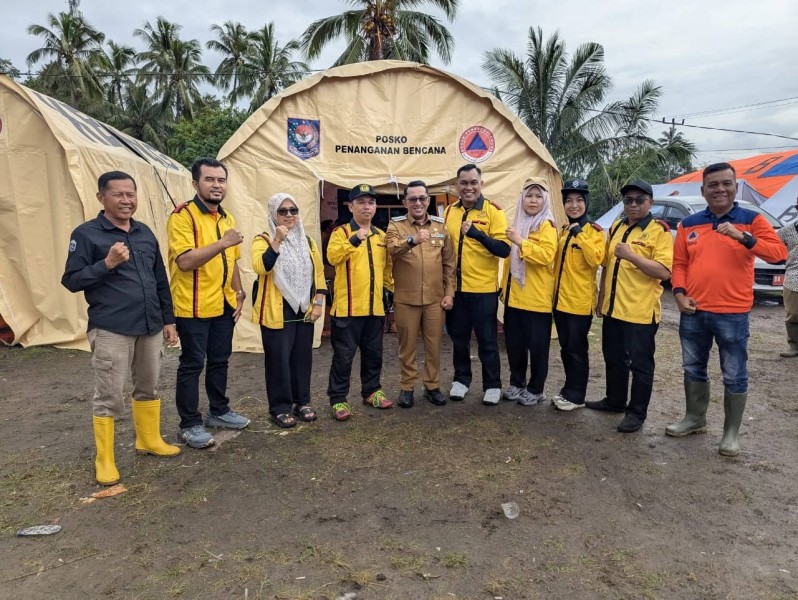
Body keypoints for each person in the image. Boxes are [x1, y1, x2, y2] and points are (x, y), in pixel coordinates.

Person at [62, 171, 180, 485]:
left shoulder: (144, 233)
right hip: (112, 328)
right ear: (101, 198)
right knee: (109, 395)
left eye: (131, 194)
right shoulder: (86, 235)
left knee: (149, 386)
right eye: (118, 194)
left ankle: (148, 440)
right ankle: (105, 460)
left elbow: (160, 279)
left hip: (149, 325)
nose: (126, 200)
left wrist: (168, 320)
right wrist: (107, 264)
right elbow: (71, 280)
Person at [667, 163, 787, 456]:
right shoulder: (689, 223)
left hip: (732, 313)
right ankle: (695, 419)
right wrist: (679, 293)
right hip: (694, 310)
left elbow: (779, 254)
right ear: (703, 190)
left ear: (735, 187)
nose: (720, 189)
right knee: (692, 367)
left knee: (734, 373)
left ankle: (731, 433)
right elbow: (680, 264)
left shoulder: (752, 220)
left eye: (726, 183)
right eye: (713, 184)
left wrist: (744, 237)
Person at [167, 157, 251, 449]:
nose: (217, 185)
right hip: (193, 305)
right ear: (195, 183)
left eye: (221, 180)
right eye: (210, 179)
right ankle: (189, 424)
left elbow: (233, 260)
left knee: (220, 360)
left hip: (223, 304)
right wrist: (223, 243)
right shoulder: (182, 217)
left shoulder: (226, 218)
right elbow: (185, 261)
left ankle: (219, 411)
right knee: (192, 364)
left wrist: (238, 292)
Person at [587, 179, 673, 433]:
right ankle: (614, 401)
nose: (633, 205)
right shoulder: (617, 226)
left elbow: (664, 272)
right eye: (628, 200)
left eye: (639, 200)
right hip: (613, 308)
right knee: (613, 358)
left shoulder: (659, 231)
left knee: (640, 366)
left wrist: (633, 256)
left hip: (640, 312)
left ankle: (636, 413)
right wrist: (602, 299)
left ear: (650, 202)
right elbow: (607, 265)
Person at [251, 193, 327, 428]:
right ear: (273, 214)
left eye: (293, 210)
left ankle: (301, 402)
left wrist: (318, 304)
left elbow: (319, 274)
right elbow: (261, 267)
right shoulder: (263, 239)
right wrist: (277, 240)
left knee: (302, 358)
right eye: (282, 211)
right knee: (278, 360)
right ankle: (280, 408)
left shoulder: (308, 242)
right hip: (276, 310)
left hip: (304, 308)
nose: (289, 215)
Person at [326, 184, 394, 420]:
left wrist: (390, 291)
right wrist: (354, 239)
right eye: (361, 202)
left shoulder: (381, 236)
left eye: (371, 202)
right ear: (350, 206)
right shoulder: (341, 232)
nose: (367, 207)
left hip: (374, 308)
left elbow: (387, 269)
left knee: (374, 355)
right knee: (343, 358)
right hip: (348, 309)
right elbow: (332, 257)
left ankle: (371, 391)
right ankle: (338, 399)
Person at [443, 165, 510, 405]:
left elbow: (504, 249)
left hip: (483, 290)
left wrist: (478, 235)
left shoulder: (493, 211)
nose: (468, 187)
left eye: (473, 182)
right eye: (464, 183)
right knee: (459, 339)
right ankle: (461, 380)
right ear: (457, 185)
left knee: (487, 341)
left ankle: (492, 384)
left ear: (481, 184)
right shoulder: (450, 211)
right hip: (457, 290)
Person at [385, 180, 456, 407]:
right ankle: (407, 387)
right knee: (407, 347)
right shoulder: (395, 226)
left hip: (435, 299)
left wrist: (449, 293)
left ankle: (432, 386)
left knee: (434, 346)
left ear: (428, 200)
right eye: (413, 199)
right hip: (406, 299)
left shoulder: (440, 226)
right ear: (405, 202)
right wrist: (411, 240)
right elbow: (391, 249)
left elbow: (449, 264)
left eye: (422, 198)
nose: (418, 203)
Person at [500, 177, 558, 406]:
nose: (533, 201)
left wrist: (520, 241)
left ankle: (536, 389)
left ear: (545, 200)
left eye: (538, 196)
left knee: (538, 348)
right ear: (522, 199)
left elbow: (546, 256)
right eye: (529, 196)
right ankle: (517, 383)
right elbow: (509, 263)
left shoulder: (547, 225)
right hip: (515, 297)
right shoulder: (518, 222)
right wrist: (504, 288)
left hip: (536, 299)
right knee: (515, 345)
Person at [550, 179, 605, 411]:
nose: (574, 205)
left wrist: (580, 234)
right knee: (566, 349)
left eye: (579, 200)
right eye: (569, 201)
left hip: (579, 304)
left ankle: (577, 396)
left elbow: (596, 259)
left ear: (586, 203)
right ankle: (568, 389)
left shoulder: (594, 232)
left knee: (577, 350)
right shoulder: (563, 230)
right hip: (560, 302)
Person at [777, 203, 798, 357]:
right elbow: (771, 249)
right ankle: (794, 345)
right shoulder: (786, 231)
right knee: (793, 314)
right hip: (793, 278)